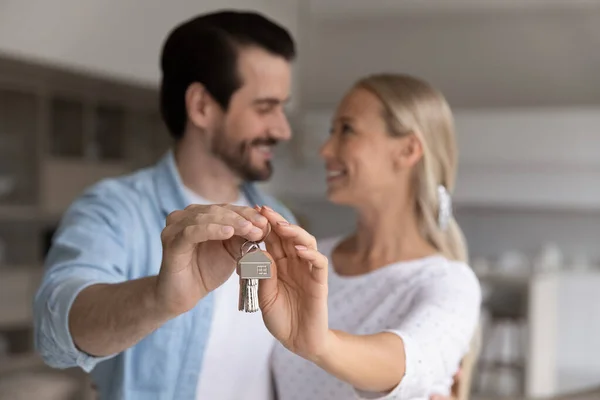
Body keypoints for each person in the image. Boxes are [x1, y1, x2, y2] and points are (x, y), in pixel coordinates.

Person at [33, 10, 297, 400]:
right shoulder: (114, 208)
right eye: (264, 108)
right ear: (202, 106)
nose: (282, 129)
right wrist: (160, 298)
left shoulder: (280, 220)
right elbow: (56, 324)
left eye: (282, 108)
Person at [252, 73, 482, 400]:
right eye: (332, 131)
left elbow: (412, 360)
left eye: (347, 129)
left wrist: (320, 343)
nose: (326, 149)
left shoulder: (448, 282)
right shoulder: (313, 261)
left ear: (407, 150)